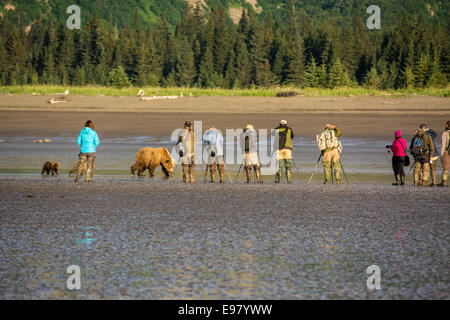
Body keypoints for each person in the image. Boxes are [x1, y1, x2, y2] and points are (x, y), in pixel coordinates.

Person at [438, 120, 450, 187]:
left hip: (446, 152)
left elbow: (443, 145)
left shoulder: (445, 133)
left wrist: (441, 154)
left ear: (447, 125)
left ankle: (444, 181)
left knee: (445, 167)